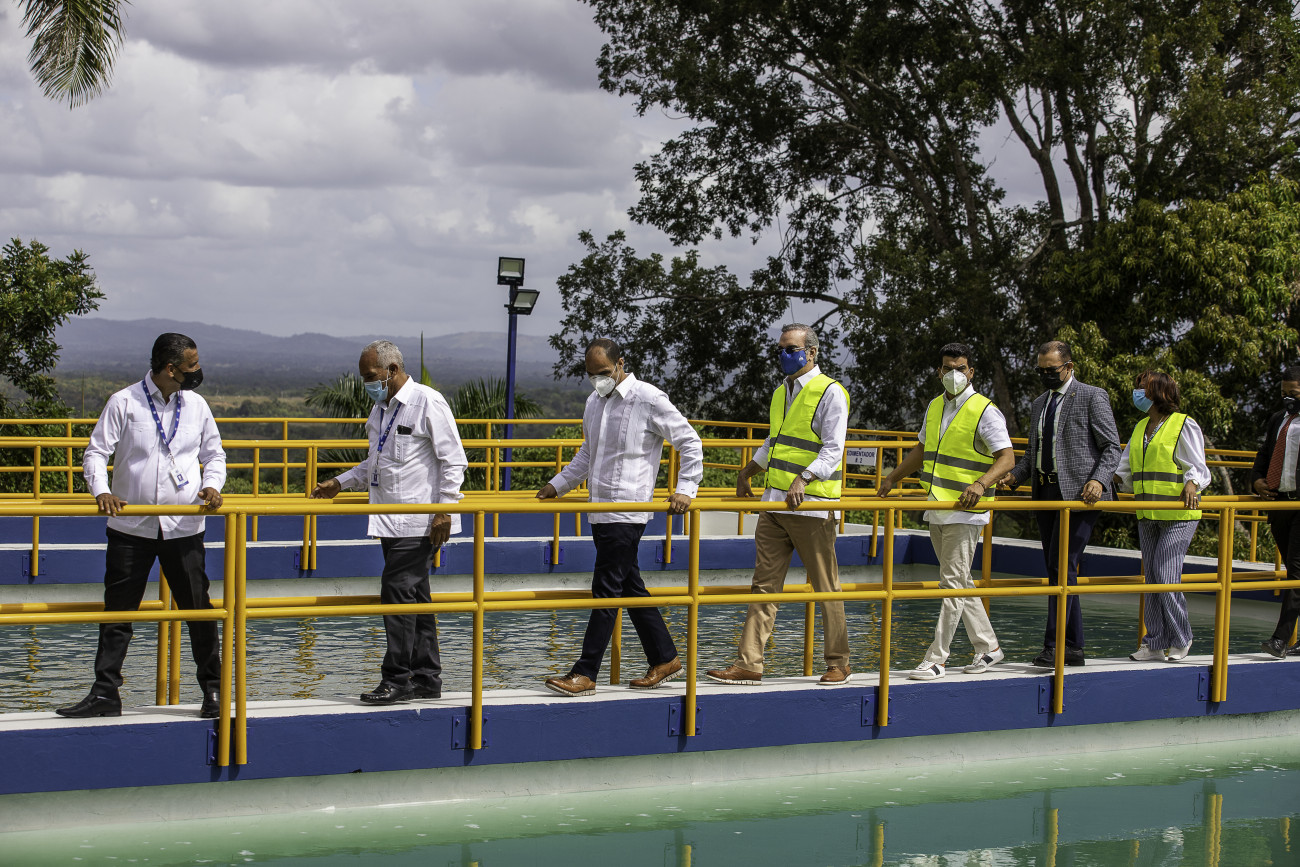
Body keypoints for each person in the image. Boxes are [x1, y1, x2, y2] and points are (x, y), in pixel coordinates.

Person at [58, 333, 226, 719]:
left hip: (183, 527)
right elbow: (96, 452)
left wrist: (213, 484)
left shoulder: (197, 405)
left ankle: (213, 691)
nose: (198, 370)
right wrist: (101, 490)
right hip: (131, 527)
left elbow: (214, 454)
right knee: (117, 613)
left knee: (199, 612)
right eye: (192, 365)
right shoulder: (124, 402)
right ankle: (105, 694)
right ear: (170, 369)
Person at [540, 338, 703, 696]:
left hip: (628, 511)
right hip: (599, 511)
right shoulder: (594, 402)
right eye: (591, 374)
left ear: (620, 364)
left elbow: (689, 441)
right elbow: (588, 454)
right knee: (629, 586)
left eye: (602, 372)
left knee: (606, 589)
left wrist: (685, 488)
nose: (597, 380)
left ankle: (585, 673)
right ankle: (665, 658)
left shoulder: (647, 398)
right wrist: (557, 485)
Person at [311, 340, 467, 703]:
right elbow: (376, 462)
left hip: (420, 522)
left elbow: (454, 460)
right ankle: (426, 678)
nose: (367, 383)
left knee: (396, 591)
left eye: (371, 376)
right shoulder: (380, 409)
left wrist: (444, 510)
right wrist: (341, 482)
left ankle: (397, 679)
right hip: (389, 521)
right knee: (415, 598)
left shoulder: (427, 402)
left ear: (392, 370)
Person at [706, 323, 852, 686]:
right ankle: (749, 664)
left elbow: (833, 449)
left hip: (811, 505)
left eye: (791, 349)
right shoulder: (780, 392)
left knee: (826, 587)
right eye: (781, 349)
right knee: (764, 585)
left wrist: (804, 477)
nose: (784, 355)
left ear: (812, 352)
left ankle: (839, 663)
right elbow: (774, 442)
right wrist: (747, 472)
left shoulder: (831, 392)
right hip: (774, 504)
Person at [878, 343, 1015, 680]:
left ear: (971, 372)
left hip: (966, 511)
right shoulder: (935, 405)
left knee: (952, 583)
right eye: (948, 368)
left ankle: (937, 658)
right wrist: (893, 477)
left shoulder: (985, 410)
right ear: (939, 372)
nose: (954, 374)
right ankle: (989, 647)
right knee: (959, 581)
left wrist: (981, 484)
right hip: (937, 505)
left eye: (960, 368)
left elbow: (1007, 457)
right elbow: (922, 449)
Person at [997, 340, 1121, 667]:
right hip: (1046, 493)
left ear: (1069, 366)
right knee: (1058, 570)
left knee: (1062, 566)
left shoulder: (1092, 396)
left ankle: (1054, 646)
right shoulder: (1040, 403)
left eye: (1051, 370)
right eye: (1041, 371)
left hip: (1080, 497)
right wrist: (1014, 477)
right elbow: (1032, 454)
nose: (1046, 376)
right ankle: (1074, 647)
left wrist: (1098, 480)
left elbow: (1112, 448)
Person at [1114, 371, 1210, 661]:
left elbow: (1197, 466)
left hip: (1178, 514)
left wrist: (1192, 483)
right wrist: (1103, 480)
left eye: (1142, 388)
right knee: (1153, 579)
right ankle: (1154, 643)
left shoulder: (1183, 424)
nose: (1137, 393)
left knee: (1166, 575)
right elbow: (1125, 469)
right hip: (1147, 512)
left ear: (1159, 392)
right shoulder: (1140, 427)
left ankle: (1182, 638)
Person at [1250, 366, 1300, 659]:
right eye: (1284, 393)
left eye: (1294, 393)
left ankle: (1280, 640)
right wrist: (1257, 479)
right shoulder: (1278, 419)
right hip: (1280, 505)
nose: (1288, 399)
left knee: (1295, 571)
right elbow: (1265, 455)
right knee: (1296, 573)